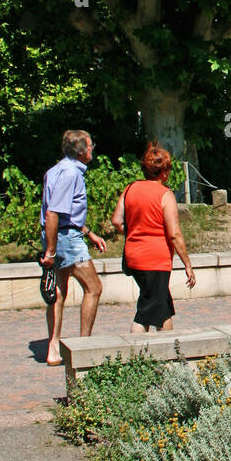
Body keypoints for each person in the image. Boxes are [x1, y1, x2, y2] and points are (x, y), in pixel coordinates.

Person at [111, 142, 195, 332]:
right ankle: (138, 354)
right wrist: (187, 265)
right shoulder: (165, 195)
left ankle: (169, 353)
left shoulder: (130, 188)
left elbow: (116, 220)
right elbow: (174, 234)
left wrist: (133, 232)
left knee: (162, 306)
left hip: (133, 257)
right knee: (145, 312)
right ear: (164, 172)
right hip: (155, 260)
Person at [41, 130, 108, 367]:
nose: (93, 149)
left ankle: (53, 347)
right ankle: (83, 346)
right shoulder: (71, 174)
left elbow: (65, 213)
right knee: (94, 287)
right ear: (81, 151)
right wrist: (50, 251)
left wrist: (89, 233)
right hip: (66, 240)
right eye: (91, 146)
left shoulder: (55, 170)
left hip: (63, 236)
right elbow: (54, 213)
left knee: (58, 291)